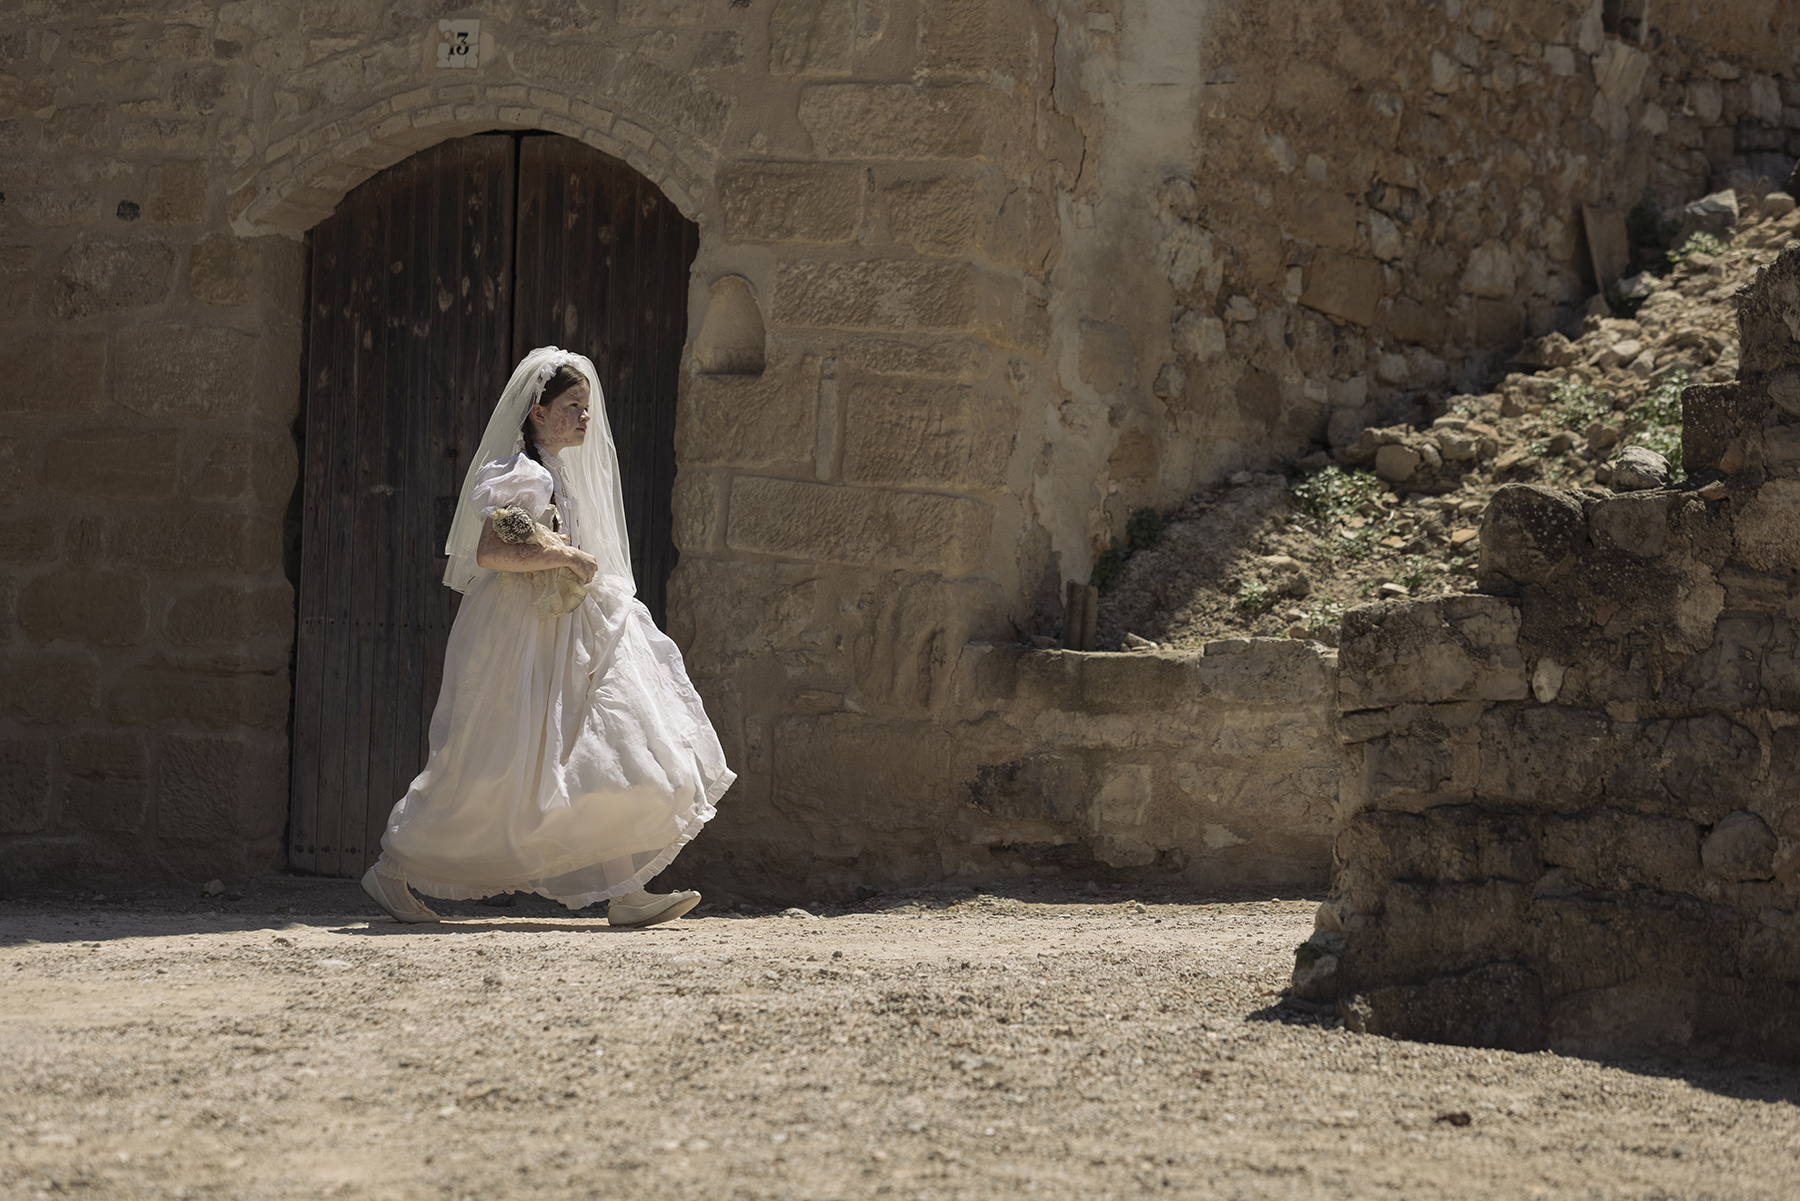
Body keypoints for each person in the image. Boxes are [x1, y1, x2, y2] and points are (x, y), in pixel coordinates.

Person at [360, 347, 735, 927]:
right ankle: (393, 869)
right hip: (522, 631)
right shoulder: (522, 472)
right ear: (537, 412)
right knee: (494, 760)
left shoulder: (559, 474)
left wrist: (572, 561)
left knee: (615, 736)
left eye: (587, 407)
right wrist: (564, 554)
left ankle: (627, 889)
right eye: (572, 406)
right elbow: (491, 552)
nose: (586, 417)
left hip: (574, 624)